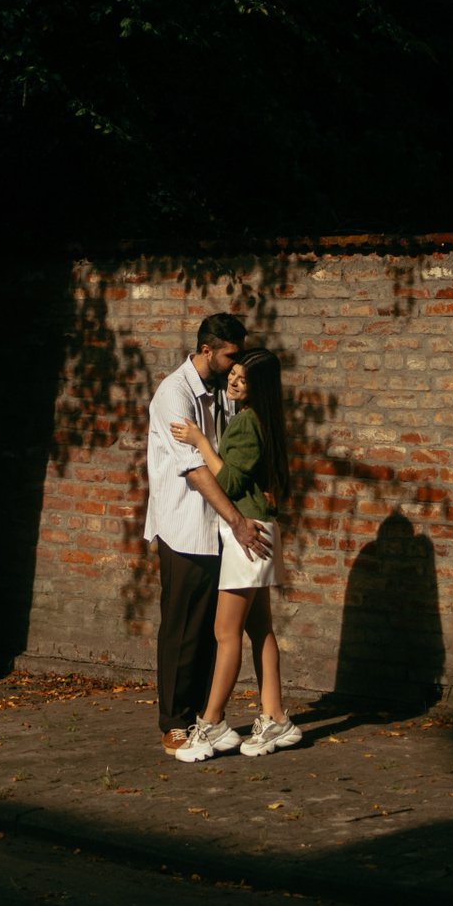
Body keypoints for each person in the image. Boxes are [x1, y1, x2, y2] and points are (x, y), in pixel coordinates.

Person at [144, 314, 271, 756]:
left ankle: (204, 718)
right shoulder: (174, 394)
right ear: (206, 350)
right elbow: (196, 470)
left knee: (210, 631)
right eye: (231, 355)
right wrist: (237, 521)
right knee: (181, 628)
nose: (237, 364)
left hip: (219, 528)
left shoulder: (225, 392)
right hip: (185, 527)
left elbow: (236, 458)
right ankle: (174, 723)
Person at [168, 347, 302, 760]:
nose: (233, 382)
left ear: (258, 387)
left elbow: (227, 481)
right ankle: (275, 718)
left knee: (225, 634)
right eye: (233, 375)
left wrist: (199, 442)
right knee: (259, 630)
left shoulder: (246, 421)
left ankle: (211, 725)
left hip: (248, 535)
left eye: (242, 380)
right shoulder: (262, 419)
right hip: (261, 530)